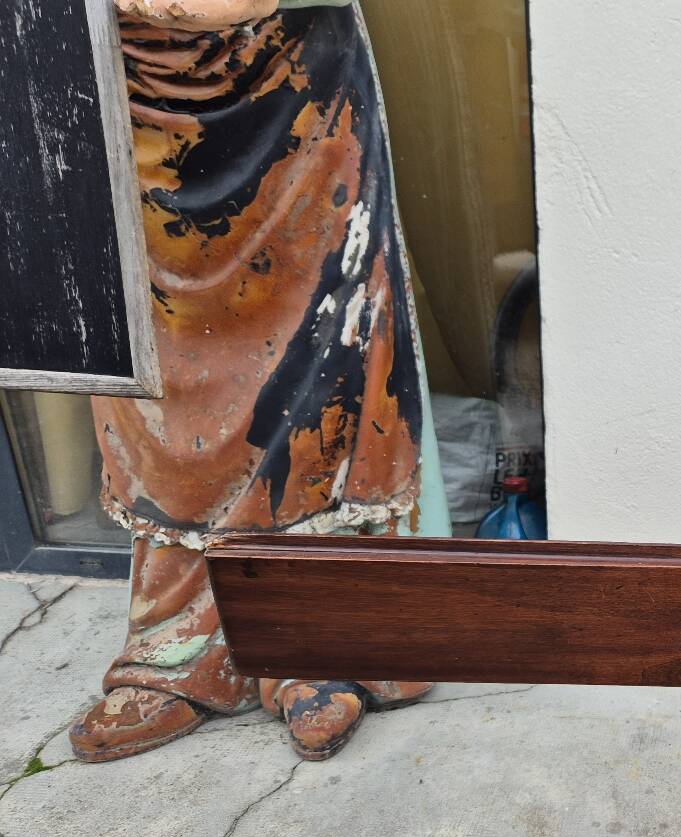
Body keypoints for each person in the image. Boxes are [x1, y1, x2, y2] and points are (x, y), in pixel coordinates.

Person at [72, 0, 433, 763]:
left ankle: (323, 636)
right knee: (162, 385)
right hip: (126, 78)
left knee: (323, 365)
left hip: (293, 81)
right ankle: (177, 644)